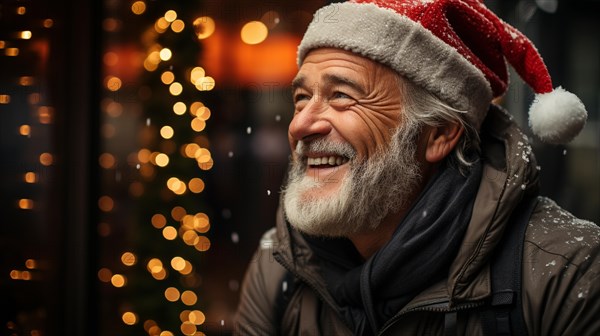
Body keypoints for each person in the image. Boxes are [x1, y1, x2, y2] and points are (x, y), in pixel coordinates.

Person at [234, 0, 600, 335]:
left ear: (439, 134)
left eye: (342, 96)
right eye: (301, 98)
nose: (300, 125)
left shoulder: (569, 273)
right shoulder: (278, 267)